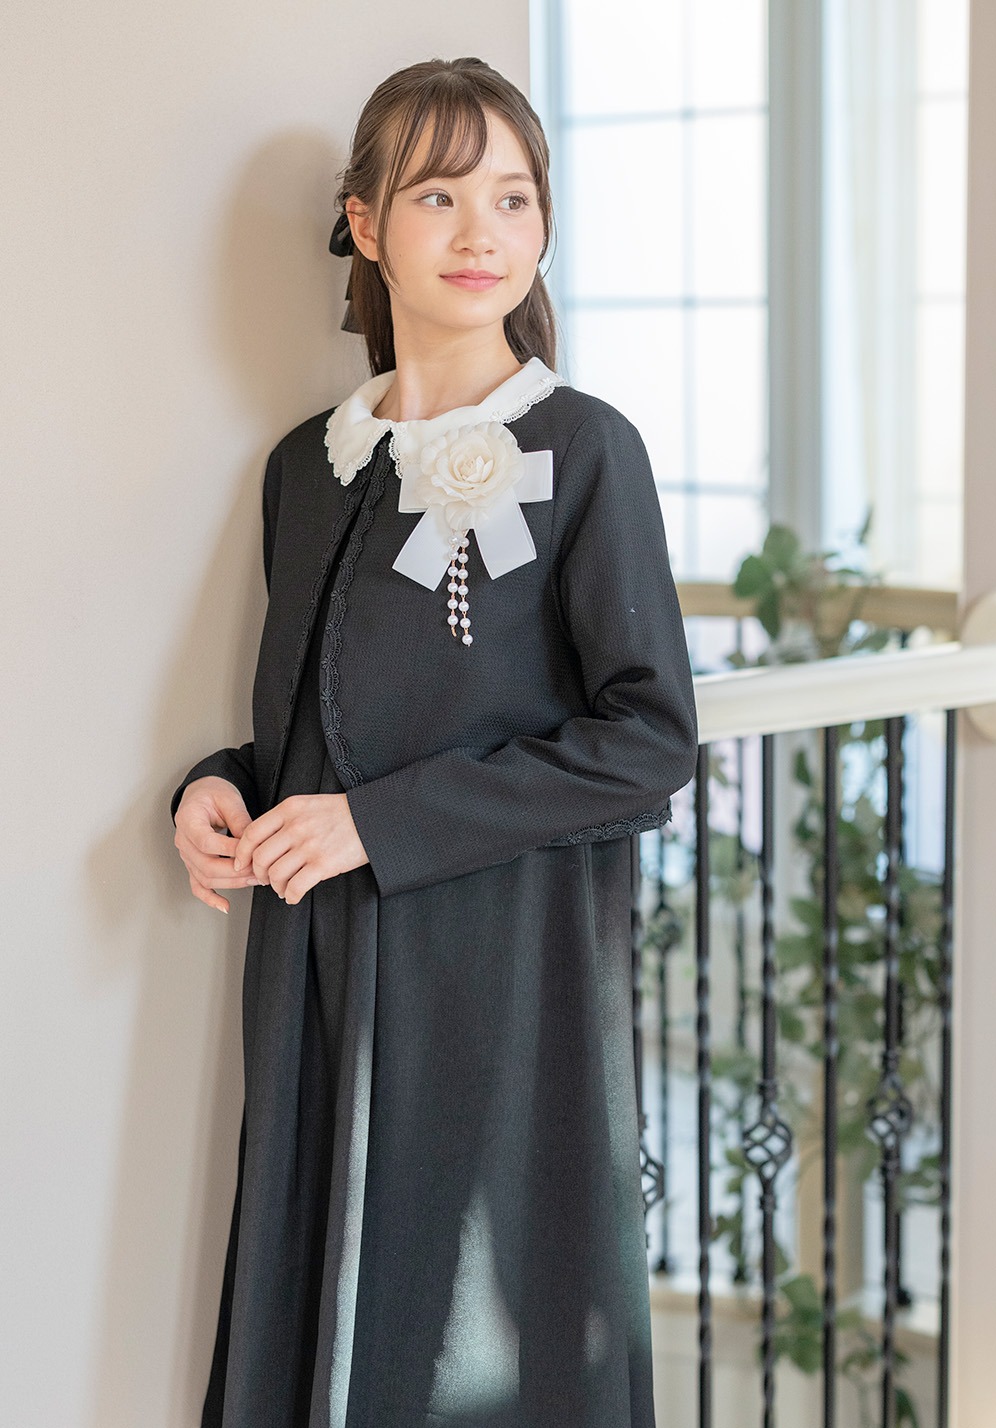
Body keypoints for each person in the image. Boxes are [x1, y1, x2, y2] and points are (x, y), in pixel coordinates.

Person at [171, 54, 698, 1428]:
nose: (481, 233)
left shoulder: (584, 450)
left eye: (513, 198)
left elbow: (649, 741)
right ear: (364, 224)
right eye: (439, 196)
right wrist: (219, 792)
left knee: (472, 1353)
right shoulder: (308, 467)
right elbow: (312, 722)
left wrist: (377, 825)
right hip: (318, 973)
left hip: (498, 976)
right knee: (324, 1327)